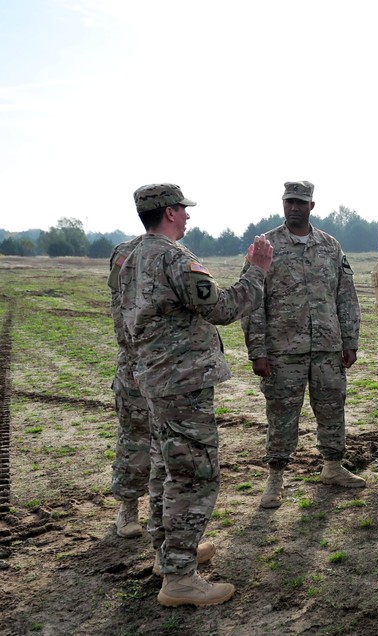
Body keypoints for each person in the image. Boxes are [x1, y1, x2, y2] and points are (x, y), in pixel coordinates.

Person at [119, 183, 273, 607]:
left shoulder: (130, 255)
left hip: (153, 378)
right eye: (183, 211)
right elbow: (221, 309)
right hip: (181, 382)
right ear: (169, 213)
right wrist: (256, 270)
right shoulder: (172, 257)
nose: (188, 217)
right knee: (194, 474)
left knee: (168, 468)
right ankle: (181, 579)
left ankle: (168, 556)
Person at [241, 180, 364, 510]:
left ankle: (333, 467)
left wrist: (350, 340)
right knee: (281, 415)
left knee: (332, 407)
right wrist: (258, 351)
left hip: (327, 347)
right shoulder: (265, 246)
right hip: (283, 350)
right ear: (283, 204)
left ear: (311, 206)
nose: (294, 207)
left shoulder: (330, 246)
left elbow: (346, 296)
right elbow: (253, 300)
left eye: (300, 202)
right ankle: (276, 478)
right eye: (289, 202)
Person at [107, 236, 150, 538]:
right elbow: (120, 309)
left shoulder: (180, 253)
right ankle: (129, 508)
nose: (187, 217)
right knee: (135, 438)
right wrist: (138, 361)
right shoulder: (126, 252)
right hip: (137, 365)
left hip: (172, 368)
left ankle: (165, 516)